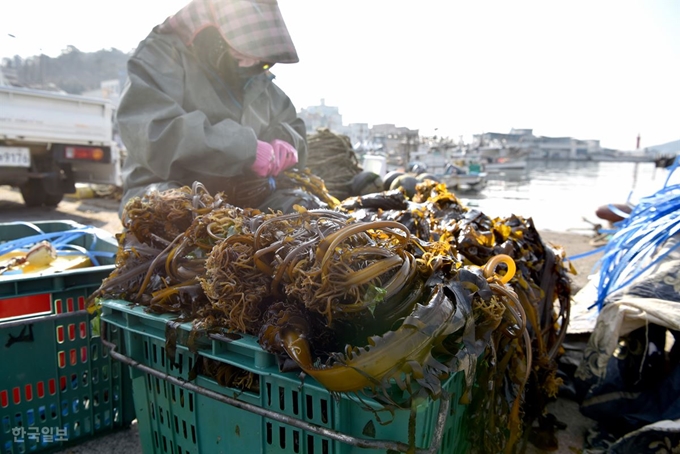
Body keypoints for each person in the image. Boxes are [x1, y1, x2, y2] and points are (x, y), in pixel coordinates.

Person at [116, 0, 307, 215]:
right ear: (211, 34)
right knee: (173, 213)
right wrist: (247, 149)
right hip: (167, 187)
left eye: (261, 61)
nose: (249, 64)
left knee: (302, 208)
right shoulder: (161, 55)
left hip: (243, 196)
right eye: (240, 54)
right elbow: (155, 131)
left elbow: (295, 128)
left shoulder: (262, 82)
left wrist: (286, 142)